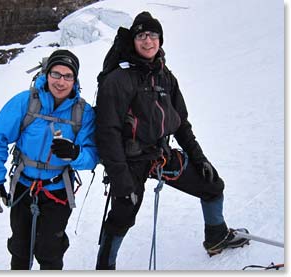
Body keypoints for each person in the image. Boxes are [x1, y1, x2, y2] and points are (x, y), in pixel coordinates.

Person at [94, 12, 249, 270]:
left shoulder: (165, 77)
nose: (147, 41)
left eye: (153, 35)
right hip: (129, 160)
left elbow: (181, 124)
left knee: (212, 185)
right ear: (133, 40)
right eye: (141, 35)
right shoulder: (118, 80)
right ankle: (104, 266)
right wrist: (121, 180)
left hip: (159, 155)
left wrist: (199, 158)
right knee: (123, 212)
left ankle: (216, 235)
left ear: (160, 40)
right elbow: (107, 133)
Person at [0, 49, 99, 270]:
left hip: (58, 189)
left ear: (75, 80)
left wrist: (75, 154)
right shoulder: (25, 102)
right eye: (56, 74)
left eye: (68, 76)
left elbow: (92, 156)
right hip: (23, 186)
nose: (61, 81)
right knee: (20, 248)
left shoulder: (82, 112)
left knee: (50, 250)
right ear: (46, 74)